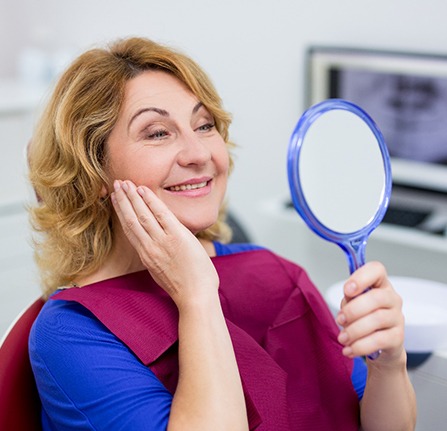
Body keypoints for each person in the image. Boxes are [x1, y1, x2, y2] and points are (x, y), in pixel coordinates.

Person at [27, 36, 416, 431]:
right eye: (158, 132)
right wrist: (196, 296)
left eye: (204, 125)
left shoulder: (276, 274)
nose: (199, 154)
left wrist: (390, 365)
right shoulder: (71, 332)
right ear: (93, 172)